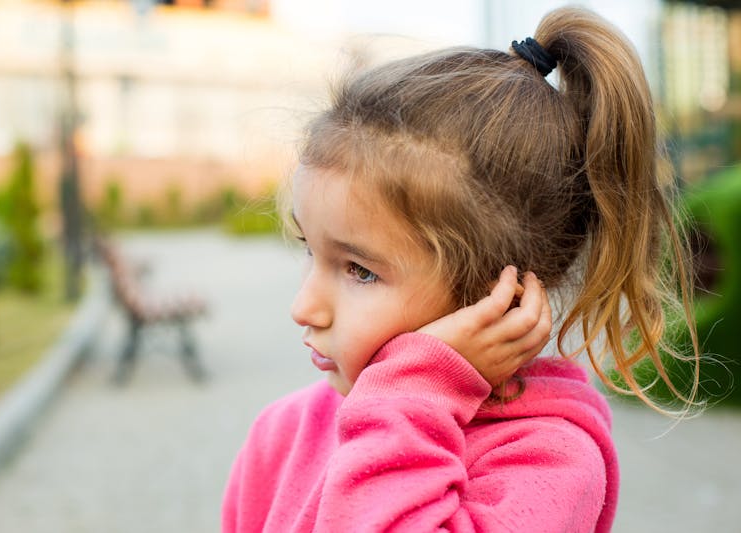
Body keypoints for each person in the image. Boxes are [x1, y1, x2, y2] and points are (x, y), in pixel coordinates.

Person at [222, 6, 700, 532]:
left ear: (498, 298)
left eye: (360, 270)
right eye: (310, 250)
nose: (303, 307)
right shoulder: (285, 430)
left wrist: (416, 389)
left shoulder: (547, 462)